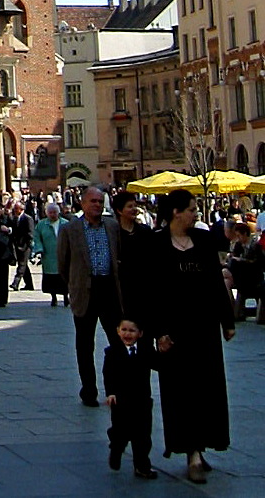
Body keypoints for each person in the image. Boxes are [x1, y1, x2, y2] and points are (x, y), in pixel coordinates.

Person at [148, 189, 235, 484]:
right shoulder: (157, 244)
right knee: (181, 392)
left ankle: (201, 446)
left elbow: (215, 282)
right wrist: (159, 331)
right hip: (174, 332)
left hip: (204, 328)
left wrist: (227, 320)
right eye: (192, 209)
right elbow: (152, 291)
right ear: (176, 212)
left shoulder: (203, 240)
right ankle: (191, 453)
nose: (195, 214)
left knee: (207, 389)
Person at [57, 184, 122, 406]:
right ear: (83, 203)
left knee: (117, 340)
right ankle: (89, 390)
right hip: (85, 291)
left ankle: (115, 389)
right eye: (93, 201)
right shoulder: (69, 229)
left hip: (109, 289)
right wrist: (74, 285)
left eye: (100, 202)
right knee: (85, 345)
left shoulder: (112, 226)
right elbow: (63, 263)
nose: (97, 205)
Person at [103, 315, 157, 479]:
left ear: (140, 333)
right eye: (124, 330)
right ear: (118, 331)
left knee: (143, 435)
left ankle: (142, 465)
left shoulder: (146, 350)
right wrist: (110, 392)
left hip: (142, 400)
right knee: (120, 431)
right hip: (121, 401)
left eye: (132, 331)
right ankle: (116, 449)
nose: (127, 334)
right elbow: (108, 374)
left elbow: (158, 363)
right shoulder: (112, 352)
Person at [112, 191, 152, 325]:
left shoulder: (145, 231)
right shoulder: (114, 234)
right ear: (119, 210)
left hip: (144, 287)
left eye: (135, 206)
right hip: (123, 289)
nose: (134, 209)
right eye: (129, 206)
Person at [32, 200, 68, 307]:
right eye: (50, 213)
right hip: (49, 255)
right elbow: (37, 238)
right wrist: (39, 250)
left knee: (64, 276)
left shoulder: (66, 223)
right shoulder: (41, 225)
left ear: (58, 212)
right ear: (47, 213)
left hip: (63, 255)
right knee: (51, 277)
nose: (53, 215)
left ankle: (66, 297)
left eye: (54, 212)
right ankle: (53, 297)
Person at [10, 201, 35, 291]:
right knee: (24, 265)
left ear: (21, 209)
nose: (15, 210)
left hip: (25, 246)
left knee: (21, 264)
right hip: (17, 245)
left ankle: (15, 283)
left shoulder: (28, 219)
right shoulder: (14, 219)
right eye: (14, 209)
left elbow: (30, 233)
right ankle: (29, 284)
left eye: (16, 209)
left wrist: (28, 245)